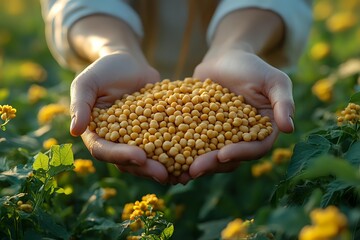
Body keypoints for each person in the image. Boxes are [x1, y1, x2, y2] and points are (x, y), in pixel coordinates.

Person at [40, 0, 312, 184]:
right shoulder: (133, 117)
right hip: (127, 56)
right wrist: (112, 48)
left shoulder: (233, 115)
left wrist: (236, 46)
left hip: (245, 54)